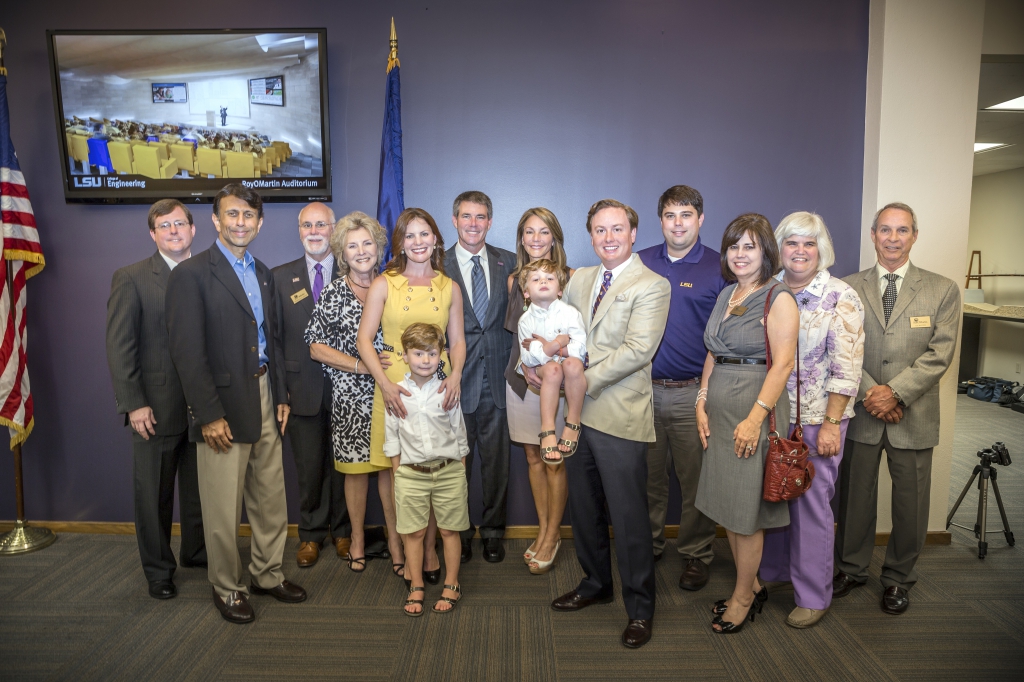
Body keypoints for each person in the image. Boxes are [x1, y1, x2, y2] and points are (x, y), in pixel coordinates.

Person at [166, 184, 306, 624]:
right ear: (215, 219)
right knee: (223, 507)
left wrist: (280, 395)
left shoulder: (263, 272)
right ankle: (227, 586)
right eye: (232, 214)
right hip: (222, 406)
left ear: (259, 223)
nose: (240, 223)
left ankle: (267, 573)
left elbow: (271, 341)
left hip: (265, 396)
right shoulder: (190, 275)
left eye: (248, 216)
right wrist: (208, 414)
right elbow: (187, 353)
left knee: (270, 497)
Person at [546, 199, 670, 649]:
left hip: (619, 415)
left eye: (617, 229)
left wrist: (577, 382)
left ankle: (640, 609)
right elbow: (557, 327)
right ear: (591, 236)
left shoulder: (652, 285)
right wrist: (540, 363)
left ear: (633, 234)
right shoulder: (579, 278)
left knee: (629, 518)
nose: (609, 237)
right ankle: (596, 584)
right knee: (585, 509)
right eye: (600, 230)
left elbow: (637, 351)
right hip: (576, 418)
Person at [833, 202, 961, 616]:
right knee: (854, 499)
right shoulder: (847, 287)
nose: (893, 238)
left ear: (914, 236)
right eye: (885, 230)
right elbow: (842, 348)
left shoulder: (942, 289)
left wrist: (896, 393)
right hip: (862, 410)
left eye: (901, 230)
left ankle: (898, 578)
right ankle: (851, 569)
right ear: (873, 235)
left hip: (913, 414)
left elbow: (940, 355)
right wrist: (873, 393)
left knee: (911, 504)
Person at [759, 212, 865, 628]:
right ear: (779, 248)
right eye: (792, 242)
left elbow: (847, 368)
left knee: (809, 508)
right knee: (772, 498)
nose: (800, 251)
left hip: (819, 420)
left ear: (822, 250)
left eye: (809, 243)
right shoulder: (768, 290)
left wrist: (833, 423)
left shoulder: (841, 296)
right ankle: (774, 572)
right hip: (771, 415)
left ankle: (813, 595)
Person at [694, 213, 799, 634]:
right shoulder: (728, 294)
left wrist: (755, 419)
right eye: (733, 246)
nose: (739, 254)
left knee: (745, 513)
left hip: (753, 410)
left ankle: (742, 597)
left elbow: (783, 364)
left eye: (749, 246)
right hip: (720, 412)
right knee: (729, 505)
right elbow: (713, 352)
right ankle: (750, 583)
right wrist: (701, 400)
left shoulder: (778, 297)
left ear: (765, 251)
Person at [358, 207, 466, 585]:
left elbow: (457, 341)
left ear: (436, 239)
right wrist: (385, 384)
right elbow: (364, 340)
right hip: (394, 387)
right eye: (410, 235)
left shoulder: (449, 287)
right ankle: (401, 546)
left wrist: (456, 374)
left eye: (425, 234)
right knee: (400, 474)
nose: (418, 242)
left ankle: (430, 549)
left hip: (439, 388)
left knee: (434, 469)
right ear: (400, 243)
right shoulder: (384, 284)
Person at [105, 199, 206, 600]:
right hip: (155, 408)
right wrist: (134, 403)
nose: (174, 231)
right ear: (153, 234)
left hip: (204, 408)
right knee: (153, 496)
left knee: (201, 492)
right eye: (165, 226)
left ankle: (197, 553)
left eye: (180, 223)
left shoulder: (210, 273)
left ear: (193, 229)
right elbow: (120, 347)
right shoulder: (130, 278)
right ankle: (159, 571)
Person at [636, 185, 727, 591]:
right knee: (648, 479)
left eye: (686, 215)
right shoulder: (640, 262)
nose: (678, 224)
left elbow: (724, 338)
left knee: (696, 482)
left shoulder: (719, 267)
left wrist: (705, 395)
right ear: (660, 220)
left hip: (695, 394)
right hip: (643, 392)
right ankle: (650, 545)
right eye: (670, 215)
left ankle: (696, 553)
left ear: (700, 219)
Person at [306, 211, 402, 573]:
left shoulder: (393, 286)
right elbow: (316, 346)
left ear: (379, 247)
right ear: (342, 254)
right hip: (350, 397)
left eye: (367, 243)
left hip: (391, 395)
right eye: (352, 246)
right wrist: (363, 365)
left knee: (391, 471)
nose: (361, 251)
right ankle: (357, 539)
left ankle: (396, 541)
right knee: (356, 472)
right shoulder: (334, 291)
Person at [271, 202, 350, 568]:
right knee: (309, 467)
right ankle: (311, 535)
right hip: (300, 388)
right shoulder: (278, 277)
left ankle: (344, 531)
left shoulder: (355, 271)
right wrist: (280, 392)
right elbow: (273, 340)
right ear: (299, 231)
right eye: (307, 225)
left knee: (345, 465)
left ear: (334, 230)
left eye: (321, 224)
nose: (314, 232)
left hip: (348, 388)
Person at [444, 191, 517, 563]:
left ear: (490, 221)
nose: (473, 224)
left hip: (499, 381)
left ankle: (492, 532)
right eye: (466, 216)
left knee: (497, 464)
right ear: (454, 220)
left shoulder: (511, 262)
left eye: (480, 217)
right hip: (453, 381)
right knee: (455, 468)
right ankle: (458, 534)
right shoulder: (436, 265)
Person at [503, 208, 574, 574]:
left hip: (555, 384)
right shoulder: (514, 280)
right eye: (529, 232)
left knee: (553, 458)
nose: (535, 238)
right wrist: (526, 367)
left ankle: (552, 533)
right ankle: (545, 530)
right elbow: (517, 336)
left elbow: (576, 335)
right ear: (521, 238)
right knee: (533, 457)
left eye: (543, 231)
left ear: (554, 237)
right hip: (521, 379)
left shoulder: (571, 278)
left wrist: (548, 367)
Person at [385, 323, 470, 617]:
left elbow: (459, 433)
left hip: (448, 470)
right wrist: (398, 474)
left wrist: (460, 470)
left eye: (432, 354)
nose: (425, 360)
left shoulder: (447, 389)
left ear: (441, 355)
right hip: (410, 473)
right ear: (404, 355)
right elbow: (392, 439)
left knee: (449, 530)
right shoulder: (396, 393)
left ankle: (452, 583)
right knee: (414, 532)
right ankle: (417, 585)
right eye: (418, 353)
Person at [517, 259, 587, 468]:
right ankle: (547, 430)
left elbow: (580, 349)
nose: (543, 282)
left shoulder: (570, 313)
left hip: (572, 368)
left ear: (560, 290)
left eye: (549, 278)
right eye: (536, 279)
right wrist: (556, 344)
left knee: (572, 364)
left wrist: (545, 347)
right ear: (526, 292)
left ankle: (573, 422)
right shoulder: (525, 320)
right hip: (547, 370)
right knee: (554, 369)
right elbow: (528, 358)